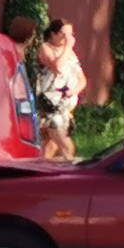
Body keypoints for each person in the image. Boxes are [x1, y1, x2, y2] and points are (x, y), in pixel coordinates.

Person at [37, 17, 87, 161]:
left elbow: (81, 78)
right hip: (51, 106)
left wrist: (75, 90)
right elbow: (57, 67)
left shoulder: (71, 54)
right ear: (53, 34)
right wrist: (68, 47)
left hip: (65, 107)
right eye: (63, 34)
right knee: (66, 146)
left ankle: (38, 174)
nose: (68, 38)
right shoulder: (45, 48)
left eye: (70, 34)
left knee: (50, 146)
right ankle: (73, 173)